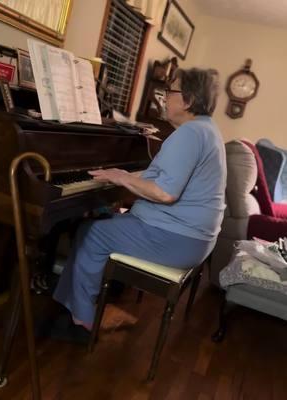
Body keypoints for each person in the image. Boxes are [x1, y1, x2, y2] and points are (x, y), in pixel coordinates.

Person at [53, 67, 227, 339]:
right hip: (191, 237)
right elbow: (157, 175)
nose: (164, 98)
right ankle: (71, 305)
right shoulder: (206, 131)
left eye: (170, 92)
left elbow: (165, 193)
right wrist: (118, 176)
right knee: (96, 222)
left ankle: (82, 321)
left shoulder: (191, 134)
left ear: (189, 100)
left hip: (180, 240)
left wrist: (121, 177)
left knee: (92, 232)